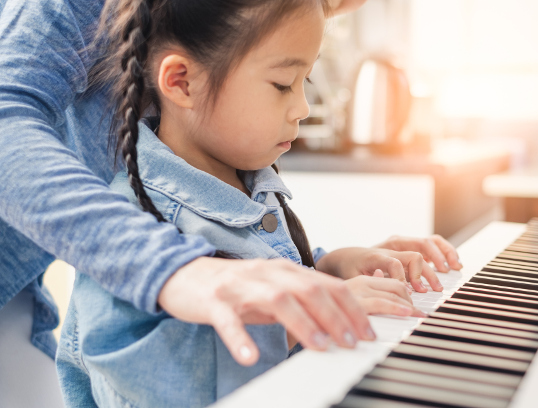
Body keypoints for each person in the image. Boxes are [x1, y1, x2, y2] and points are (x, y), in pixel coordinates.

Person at [0, 0, 461, 405]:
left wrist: (325, 269)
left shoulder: (243, 177)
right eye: (284, 83)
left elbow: (247, 266)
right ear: (180, 82)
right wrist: (296, 325)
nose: (302, 106)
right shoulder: (141, 214)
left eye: (307, 79)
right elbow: (160, 385)